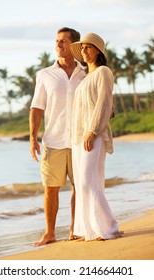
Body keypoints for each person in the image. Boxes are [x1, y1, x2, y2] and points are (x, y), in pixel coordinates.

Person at [29, 27, 86, 246]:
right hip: (53, 141)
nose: (58, 45)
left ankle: (75, 228)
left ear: (74, 46)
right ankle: (50, 233)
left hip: (80, 141)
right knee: (50, 188)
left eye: (63, 41)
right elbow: (36, 108)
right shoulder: (45, 74)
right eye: (57, 41)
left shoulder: (86, 72)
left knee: (79, 187)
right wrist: (33, 138)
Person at [70, 32, 121, 241]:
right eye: (82, 48)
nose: (84, 51)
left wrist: (92, 131)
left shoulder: (103, 72)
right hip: (78, 137)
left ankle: (109, 228)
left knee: (87, 182)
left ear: (98, 50)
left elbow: (103, 104)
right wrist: (79, 134)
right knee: (89, 181)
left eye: (88, 47)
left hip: (94, 134)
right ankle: (89, 230)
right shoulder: (84, 78)